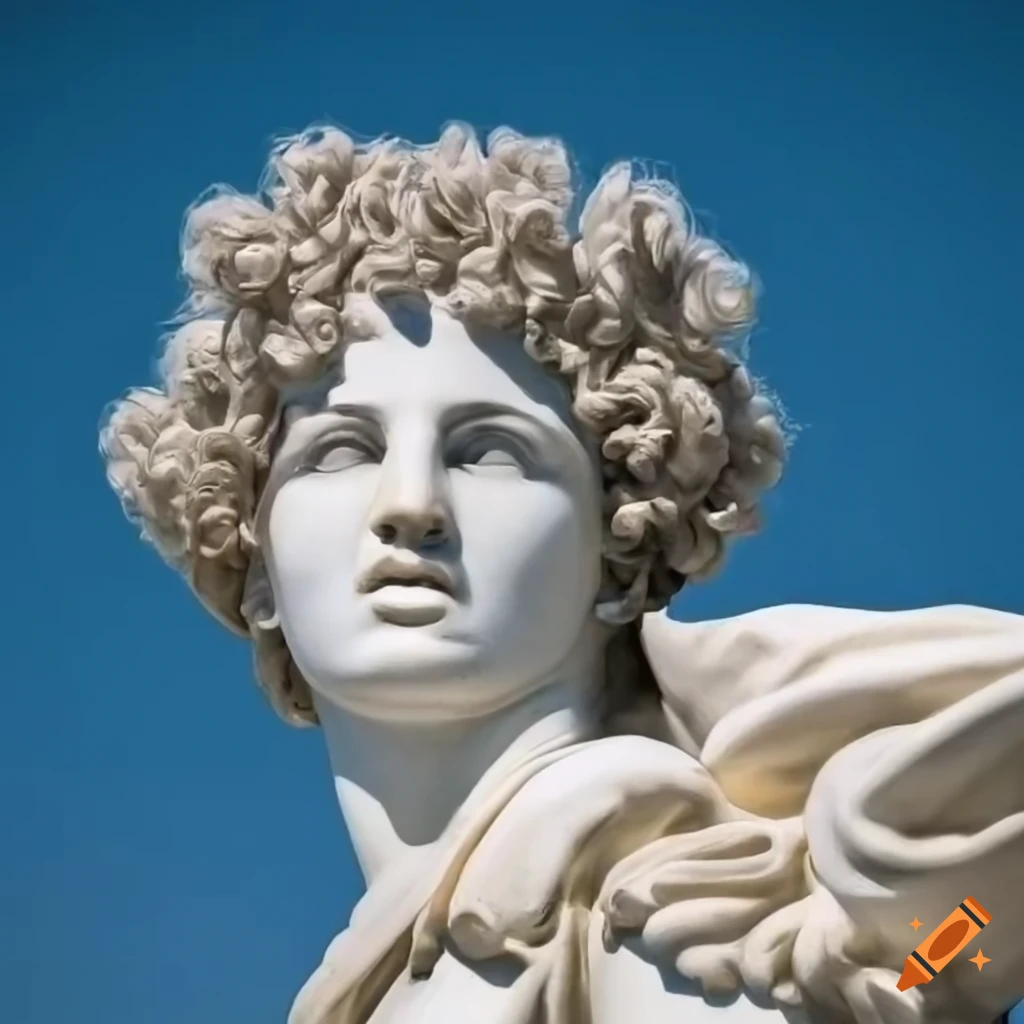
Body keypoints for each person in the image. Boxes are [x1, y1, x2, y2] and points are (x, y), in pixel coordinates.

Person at [100, 123, 1024, 1024]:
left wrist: (921, 947)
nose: (409, 501)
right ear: (253, 561)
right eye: (341, 451)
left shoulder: (663, 911)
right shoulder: (419, 966)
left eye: (490, 453)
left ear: (618, 545)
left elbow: (956, 947)